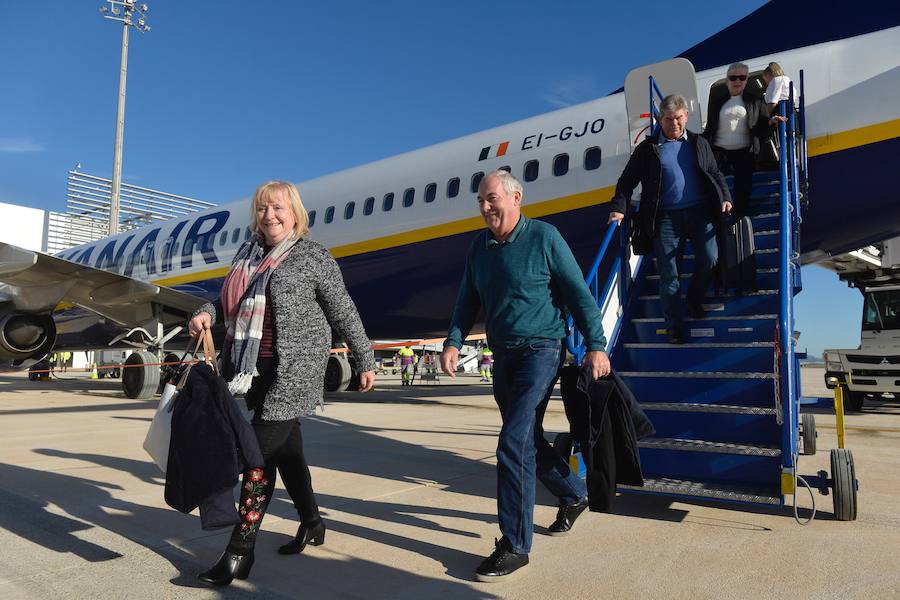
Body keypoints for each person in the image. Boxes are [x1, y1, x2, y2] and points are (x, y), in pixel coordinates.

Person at [187, 180, 376, 587]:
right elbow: (227, 303)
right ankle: (311, 522)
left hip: (296, 370)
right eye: (262, 209)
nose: (269, 216)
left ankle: (240, 551)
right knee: (288, 452)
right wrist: (205, 312)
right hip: (254, 369)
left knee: (256, 458)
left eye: (277, 208)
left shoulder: (312, 256)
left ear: (295, 213)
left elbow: (344, 312)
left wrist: (365, 359)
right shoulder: (247, 255)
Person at [441, 170, 610, 581]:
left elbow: (577, 292)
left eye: (492, 198)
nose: (485, 207)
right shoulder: (479, 249)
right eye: (480, 200)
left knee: (513, 442)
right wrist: (452, 340)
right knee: (528, 440)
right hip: (505, 356)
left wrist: (596, 344)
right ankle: (573, 493)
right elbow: (467, 300)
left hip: (542, 350)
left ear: (516, 197)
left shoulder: (544, 238)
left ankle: (515, 544)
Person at [610, 94, 732, 344]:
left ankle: (694, 300)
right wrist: (619, 208)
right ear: (659, 119)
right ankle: (674, 325)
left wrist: (725, 196)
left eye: (678, 118)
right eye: (668, 119)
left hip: (700, 212)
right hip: (666, 218)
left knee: (711, 258)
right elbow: (626, 182)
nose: (674, 123)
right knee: (669, 273)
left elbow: (714, 173)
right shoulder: (648, 149)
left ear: (686, 116)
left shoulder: (699, 143)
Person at [702, 62, 784, 216]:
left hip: (745, 151)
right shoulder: (718, 104)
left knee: (743, 186)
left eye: (741, 78)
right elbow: (710, 129)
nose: (737, 81)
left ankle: (739, 216)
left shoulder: (756, 102)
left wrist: (771, 122)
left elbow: (763, 122)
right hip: (722, 152)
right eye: (733, 78)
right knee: (720, 184)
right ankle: (725, 214)